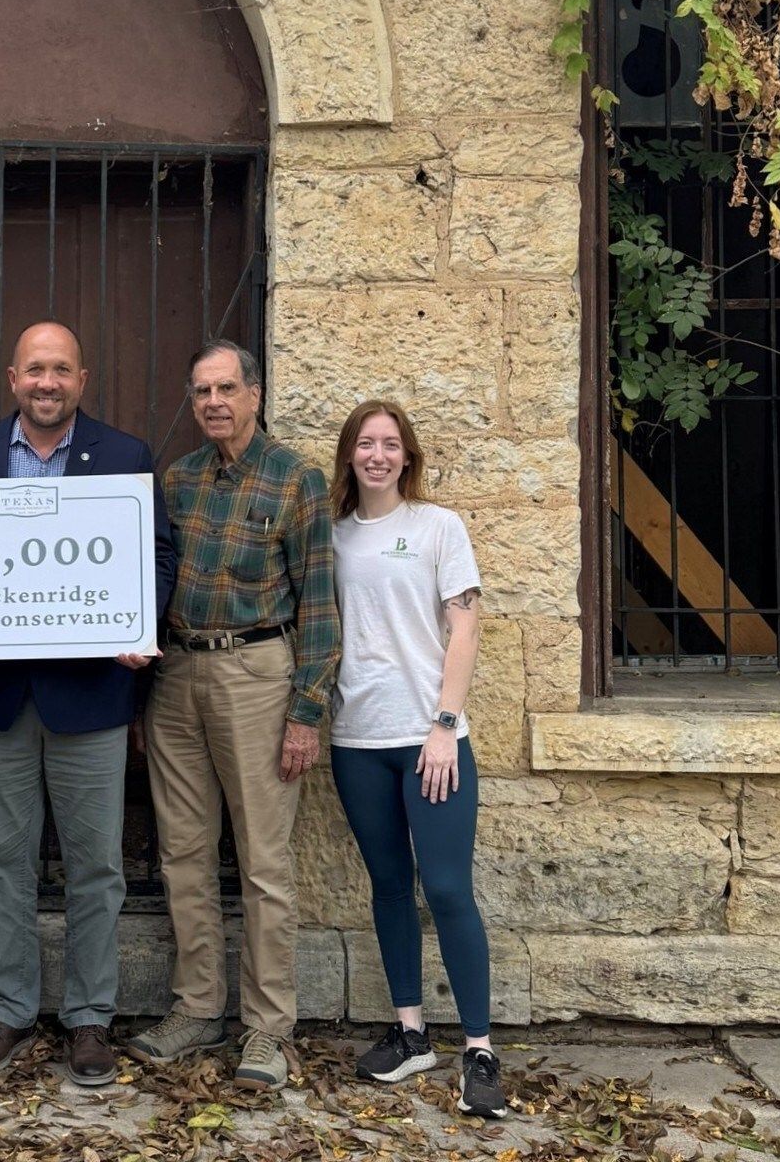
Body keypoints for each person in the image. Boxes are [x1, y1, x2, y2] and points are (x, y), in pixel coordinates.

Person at [0, 320, 176, 1089]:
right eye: (35, 370)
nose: (48, 383)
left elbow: (156, 554)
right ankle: (9, 1008)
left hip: (92, 697)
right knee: (3, 864)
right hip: (0, 698)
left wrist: (140, 621)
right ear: (13, 377)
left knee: (96, 868)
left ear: (83, 379)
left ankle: (89, 1019)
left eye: (62, 371)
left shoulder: (125, 456)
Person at [127, 341, 337, 1092]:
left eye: (227, 388)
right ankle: (196, 1009)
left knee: (263, 861)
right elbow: (143, 576)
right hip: (177, 672)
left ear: (254, 393)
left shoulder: (298, 479)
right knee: (183, 854)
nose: (214, 402)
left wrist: (307, 711)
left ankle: (268, 1027)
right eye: (202, 391)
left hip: (258, 675)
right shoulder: (177, 480)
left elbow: (318, 602)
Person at [327, 399, 506, 1121]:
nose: (377, 455)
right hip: (356, 740)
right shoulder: (332, 537)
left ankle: (480, 1049)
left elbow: (464, 632)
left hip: (430, 740)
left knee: (449, 889)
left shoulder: (437, 528)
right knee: (389, 885)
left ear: (408, 456)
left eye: (389, 445)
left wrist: (443, 724)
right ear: (349, 455)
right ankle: (410, 1033)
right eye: (365, 444)